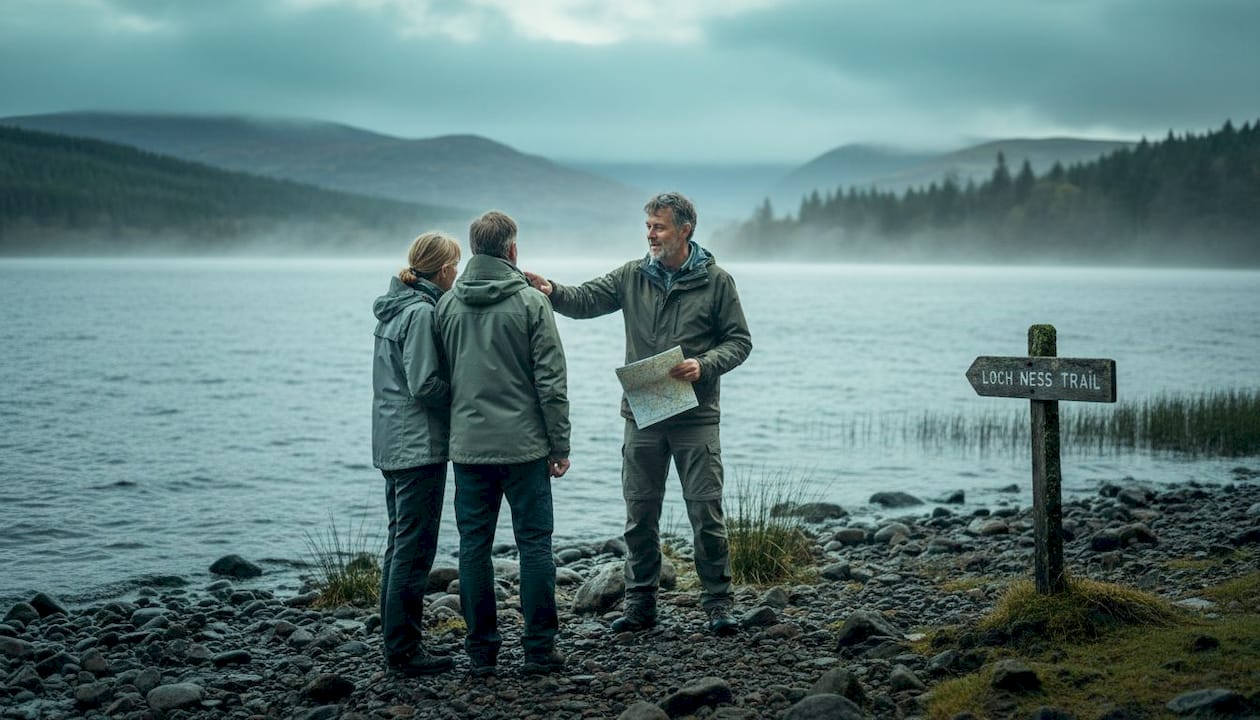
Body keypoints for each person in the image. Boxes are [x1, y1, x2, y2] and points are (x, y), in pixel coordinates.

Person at [525, 191, 752, 636]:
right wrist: (552, 292)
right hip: (643, 413)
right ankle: (641, 606)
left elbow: (739, 342)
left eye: (659, 227)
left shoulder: (717, 281)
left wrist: (705, 365)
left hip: (696, 416)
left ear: (686, 230)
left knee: (706, 513)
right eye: (648, 226)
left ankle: (719, 605)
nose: (650, 234)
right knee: (640, 514)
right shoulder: (632, 275)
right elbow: (587, 298)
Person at [436, 210, 572, 677]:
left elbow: (441, 379)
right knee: (535, 546)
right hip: (526, 448)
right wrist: (560, 445)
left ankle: (481, 653)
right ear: (512, 251)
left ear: (473, 249)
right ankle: (538, 650)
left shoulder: (447, 306)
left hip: (469, 448)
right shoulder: (533, 304)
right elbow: (551, 382)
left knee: (473, 548)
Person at [371, 231, 462, 676]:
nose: (457, 274)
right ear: (444, 271)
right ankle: (404, 651)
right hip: (418, 446)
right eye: (456, 267)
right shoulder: (422, 313)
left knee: (397, 545)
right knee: (414, 548)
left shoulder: (395, 307)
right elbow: (425, 385)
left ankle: (395, 642)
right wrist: (465, 396)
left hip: (391, 441)